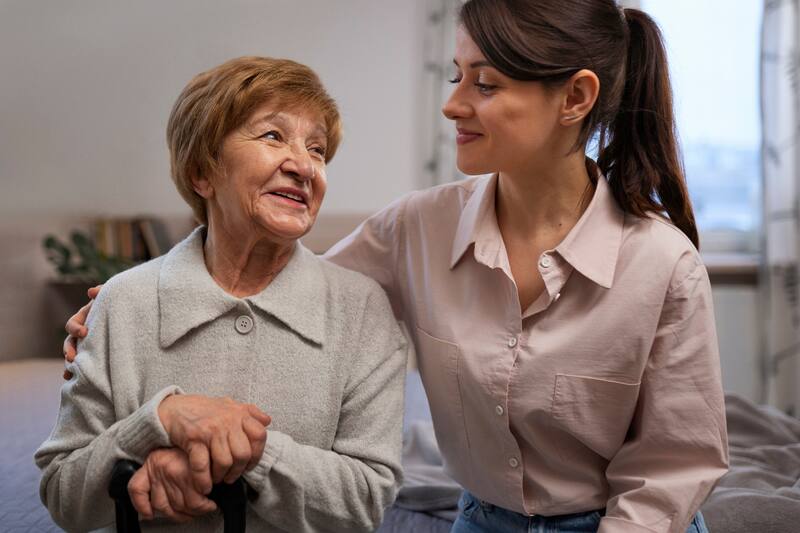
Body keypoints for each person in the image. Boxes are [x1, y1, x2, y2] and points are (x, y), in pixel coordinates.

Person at [63, 1, 729, 532]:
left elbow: (675, 464)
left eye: (485, 82)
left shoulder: (663, 264)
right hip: (481, 519)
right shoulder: (414, 227)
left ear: (575, 98)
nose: (453, 103)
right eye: (455, 75)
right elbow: (281, 298)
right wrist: (127, 315)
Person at [37, 56, 408, 533]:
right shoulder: (123, 301)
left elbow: (366, 500)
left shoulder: (361, 308)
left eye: (317, 150)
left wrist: (246, 450)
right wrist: (160, 420)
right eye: (273, 136)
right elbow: (64, 495)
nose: (303, 166)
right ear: (202, 174)